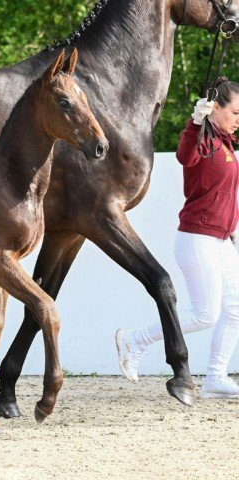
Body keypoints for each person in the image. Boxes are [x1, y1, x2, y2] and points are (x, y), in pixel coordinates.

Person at [116, 77, 239, 399]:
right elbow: (186, 156)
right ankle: (135, 339)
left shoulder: (225, 143)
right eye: (235, 112)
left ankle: (216, 377)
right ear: (216, 108)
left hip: (222, 240)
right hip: (198, 239)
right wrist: (194, 122)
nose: (238, 119)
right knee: (205, 314)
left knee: (235, 310)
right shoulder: (200, 140)